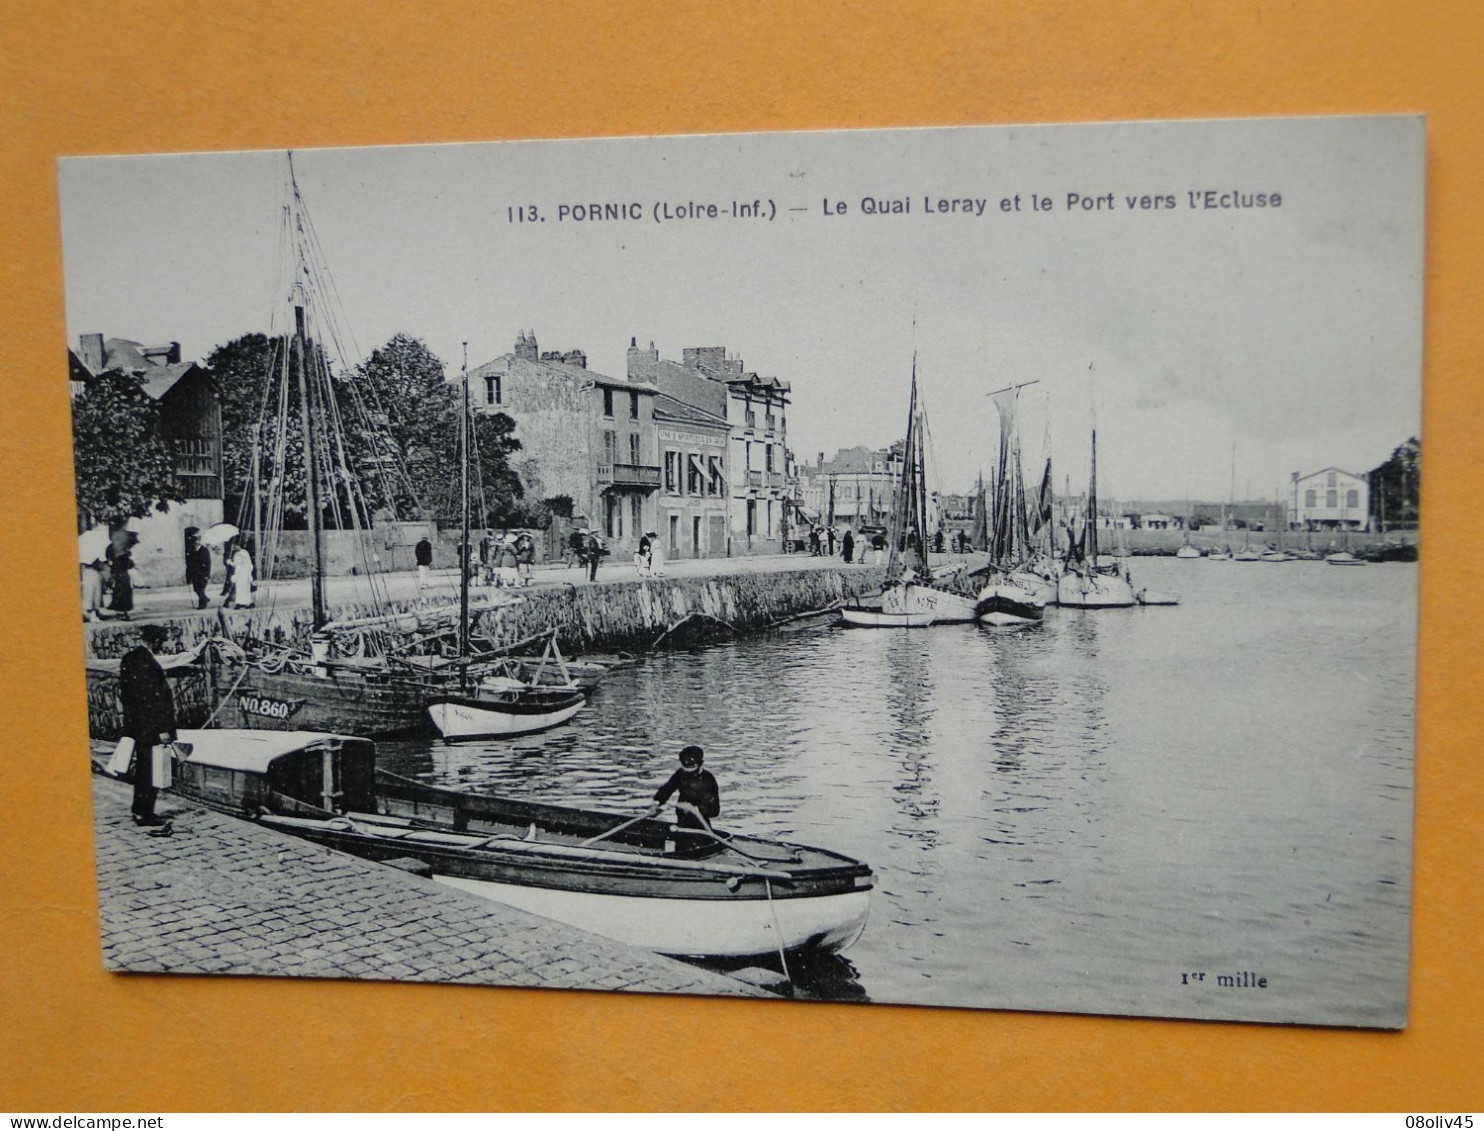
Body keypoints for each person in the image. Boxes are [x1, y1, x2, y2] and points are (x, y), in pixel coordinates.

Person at [119, 624, 178, 827]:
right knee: (150, 771)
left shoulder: (129, 659)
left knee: (142, 769)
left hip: (137, 725)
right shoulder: (149, 664)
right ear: (156, 641)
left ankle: (139, 810)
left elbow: (127, 696)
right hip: (152, 727)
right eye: (161, 641)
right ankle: (145, 813)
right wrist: (162, 729)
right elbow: (153, 701)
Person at [646, 744, 720, 856]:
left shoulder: (708, 779)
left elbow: (714, 811)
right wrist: (656, 804)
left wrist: (694, 809)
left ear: (701, 764)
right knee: (680, 850)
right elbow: (666, 789)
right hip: (682, 823)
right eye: (687, 771)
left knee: (698, 851)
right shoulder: (680, 773)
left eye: (692, 772)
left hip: (701, 826)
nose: (689, 775)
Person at [184, 527, 212, 610]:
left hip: (203, 574)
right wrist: (188, 576)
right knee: (196, 589)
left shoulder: (204, 550)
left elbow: (208, 564)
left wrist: (207, 574)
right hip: (194, 574)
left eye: (197, 542)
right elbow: (189, 565)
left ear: (199, 542)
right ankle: (204, 600)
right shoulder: (191, 551)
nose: (196, 543)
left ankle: (202, 603)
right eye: (194, 542)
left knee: (201, 589)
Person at [224, 539, 255, 608]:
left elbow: (241, 563)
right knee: (239, 588)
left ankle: (247, 602)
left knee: (245, 588)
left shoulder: (244, 553)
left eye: (235, 546)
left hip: (244, 573)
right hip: (239, 573)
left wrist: (230, 562)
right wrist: (230, 562)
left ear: (239, 546)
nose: (234, 547)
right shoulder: (237, 554)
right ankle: (240, 602)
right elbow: (236, 564)